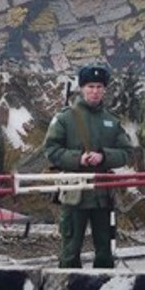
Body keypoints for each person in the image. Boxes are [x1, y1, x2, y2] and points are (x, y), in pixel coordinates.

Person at [42, 64, 133, 268]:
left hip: (102, 195)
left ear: (105, 90)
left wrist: (103, 157)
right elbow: (51, 150)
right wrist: (78, 159)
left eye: (99, 87)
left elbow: (126, 153)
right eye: (90, 86)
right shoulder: (65, 118)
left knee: (105, 253)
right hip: (75, 193)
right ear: (82, 88)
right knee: (70, 251)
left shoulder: (111, 120)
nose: (95, 91)